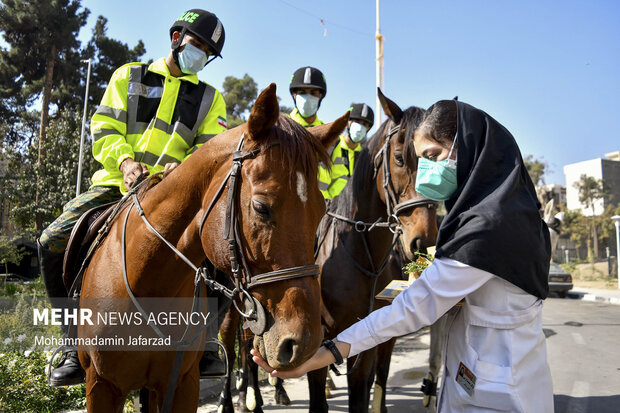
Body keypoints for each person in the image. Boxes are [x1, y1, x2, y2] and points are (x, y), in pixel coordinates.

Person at [252, 99, 554, 412]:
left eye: (433, 156)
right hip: (494, 377)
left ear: (466, 147)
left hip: (494, 395)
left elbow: (412, 309)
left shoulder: (486, 228)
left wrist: (326, 353)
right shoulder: (511, 213)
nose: (427, 172)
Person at [37, 8, 228, 386]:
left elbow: (209, 151)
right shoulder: (129, 76)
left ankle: (207, 341)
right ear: (176, 39)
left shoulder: (211, 99)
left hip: (176, 197)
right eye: (197, 44)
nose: (200, 54)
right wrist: (125, 162)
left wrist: (182, 172)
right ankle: (70, 344)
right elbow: (104, 126)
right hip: (114, 185)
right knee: (50, 242)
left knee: (222, 251)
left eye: (208, 52)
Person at [317, 102, 373, 199]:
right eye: (357, 121)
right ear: (348, 122)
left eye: (365, 124)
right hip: (326, 208)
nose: (360, 127)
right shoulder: (332, 146)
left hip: (351, 211)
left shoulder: (366, 156)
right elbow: (320, 180)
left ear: (368, 128)